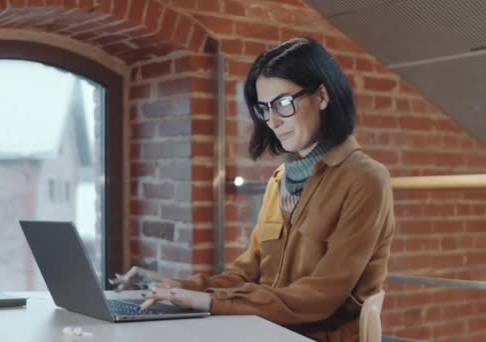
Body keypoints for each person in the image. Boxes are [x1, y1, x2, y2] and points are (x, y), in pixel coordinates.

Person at [111, 37, 395, 341]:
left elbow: (322, 294)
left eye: (283, 104)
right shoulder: (280, 180)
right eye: (264, 108)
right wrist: (171, 287)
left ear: (322, 96)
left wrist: (211, 302)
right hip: (264, 331)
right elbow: (245, 274)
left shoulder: (366, 179)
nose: (271, 120)